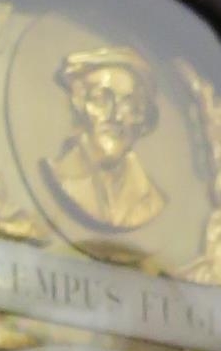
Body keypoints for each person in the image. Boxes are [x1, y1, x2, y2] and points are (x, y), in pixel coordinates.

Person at [41, 43, 167, 236]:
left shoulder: (151, 199)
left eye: (129, 105)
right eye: (101, 100)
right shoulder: (62, 177)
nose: (116, 116)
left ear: (141, 118)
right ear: (79, 103)